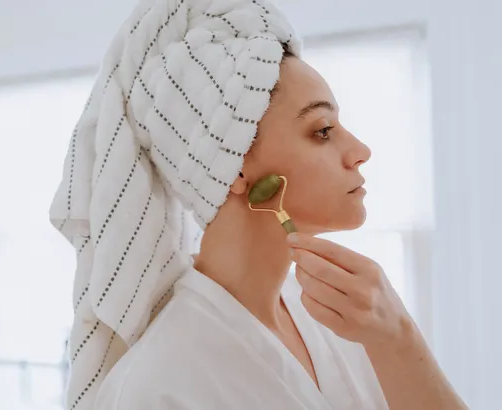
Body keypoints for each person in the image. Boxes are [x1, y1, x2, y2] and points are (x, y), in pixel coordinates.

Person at [49, 0, 468, 409]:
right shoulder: (158, 386)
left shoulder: (349, 318)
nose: (360, 150)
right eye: (322, 130)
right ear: (232, 166)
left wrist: (398, 337)